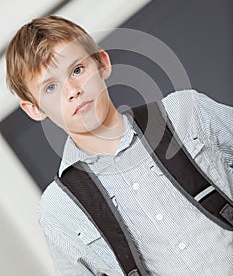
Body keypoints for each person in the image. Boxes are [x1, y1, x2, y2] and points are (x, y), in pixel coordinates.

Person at [5, 15, 233, 275]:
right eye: (51, 87)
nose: (72, 90)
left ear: (102, 63)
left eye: (77, 70)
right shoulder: (59, 211)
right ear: (34, 109)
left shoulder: (185, 113)